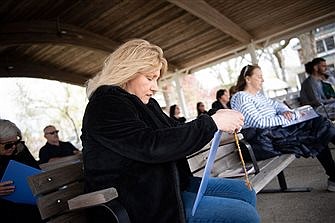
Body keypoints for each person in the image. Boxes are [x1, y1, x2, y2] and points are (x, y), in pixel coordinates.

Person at [81, 39, 259, 223]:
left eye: (156, 79)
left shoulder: (145, 103)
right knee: (243, 215)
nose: (155, 87)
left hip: (168, 187)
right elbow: (152, 145)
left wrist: (215, 116)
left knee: (244, 192)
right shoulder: (104, 104)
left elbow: (175, 130)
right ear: (127, 73)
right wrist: (211, 123)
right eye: (150, 78)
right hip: (140, 203)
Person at [230, 64, 335, 192]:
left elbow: (277, 105)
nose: (262, 80)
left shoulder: (258, 96)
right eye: (259, 77)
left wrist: (286, 112)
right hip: (262, 141)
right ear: (247, 79)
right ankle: (333, 178)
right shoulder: (241, 97)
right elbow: (259, 122)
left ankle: (333, 178)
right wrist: (288, 118)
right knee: (318, 128)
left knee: (319, 128)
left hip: (274, 133)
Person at [0, 119, 43, 222]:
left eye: (16, 142)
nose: (13, 147)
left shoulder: (20, 150)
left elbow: (36, 172)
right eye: (8, 145)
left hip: (30, 206)